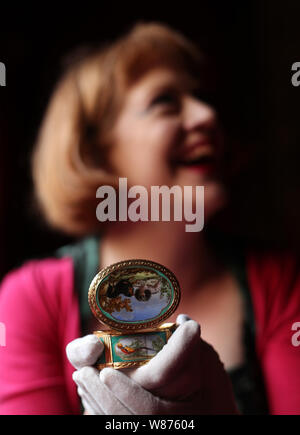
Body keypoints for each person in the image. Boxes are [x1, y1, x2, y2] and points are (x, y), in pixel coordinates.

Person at [0, 22, 300, 415]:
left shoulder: (281, 283)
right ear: (96, 153)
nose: (207, 115)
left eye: (201, 98)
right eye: (165, 102)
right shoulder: (30, 300)